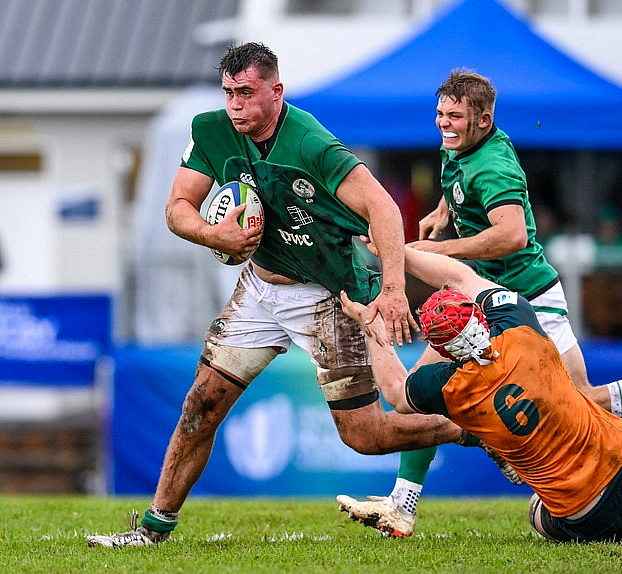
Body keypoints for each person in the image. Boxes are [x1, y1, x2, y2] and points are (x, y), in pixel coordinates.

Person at [86, 42, 479, 547]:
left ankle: (469, 429)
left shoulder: (310, 141)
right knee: (199, 405)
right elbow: (177, 206)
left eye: (246, 93)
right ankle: (153, 529)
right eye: (229, 93)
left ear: (276, 91)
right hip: (258, 287)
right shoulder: (210, 130)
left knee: (365, 436)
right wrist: (215, 236)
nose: (235, 105)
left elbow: (383, 207)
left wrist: (396, 289)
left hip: (329, 295)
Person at [336, 69, 622, 537]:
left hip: (524, 299)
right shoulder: (460, 143)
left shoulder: (493, 163)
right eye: (439, 114)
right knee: (422, 392)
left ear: (484, 118)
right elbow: (456, 183)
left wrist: (432, 251)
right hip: (476, 300)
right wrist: (441, 214)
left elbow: (512, 235)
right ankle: (403, 503)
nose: (444, 123)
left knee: (585, 400)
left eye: (454, 116)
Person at [337, 244, 622, 544]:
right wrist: (395, 251)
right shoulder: (522, 330)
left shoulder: (451, 388)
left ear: (443, 350)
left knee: (539, 516)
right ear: (480, 319)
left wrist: (371, 328)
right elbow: (461, 275)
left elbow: (395, 393)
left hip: (579, 513)